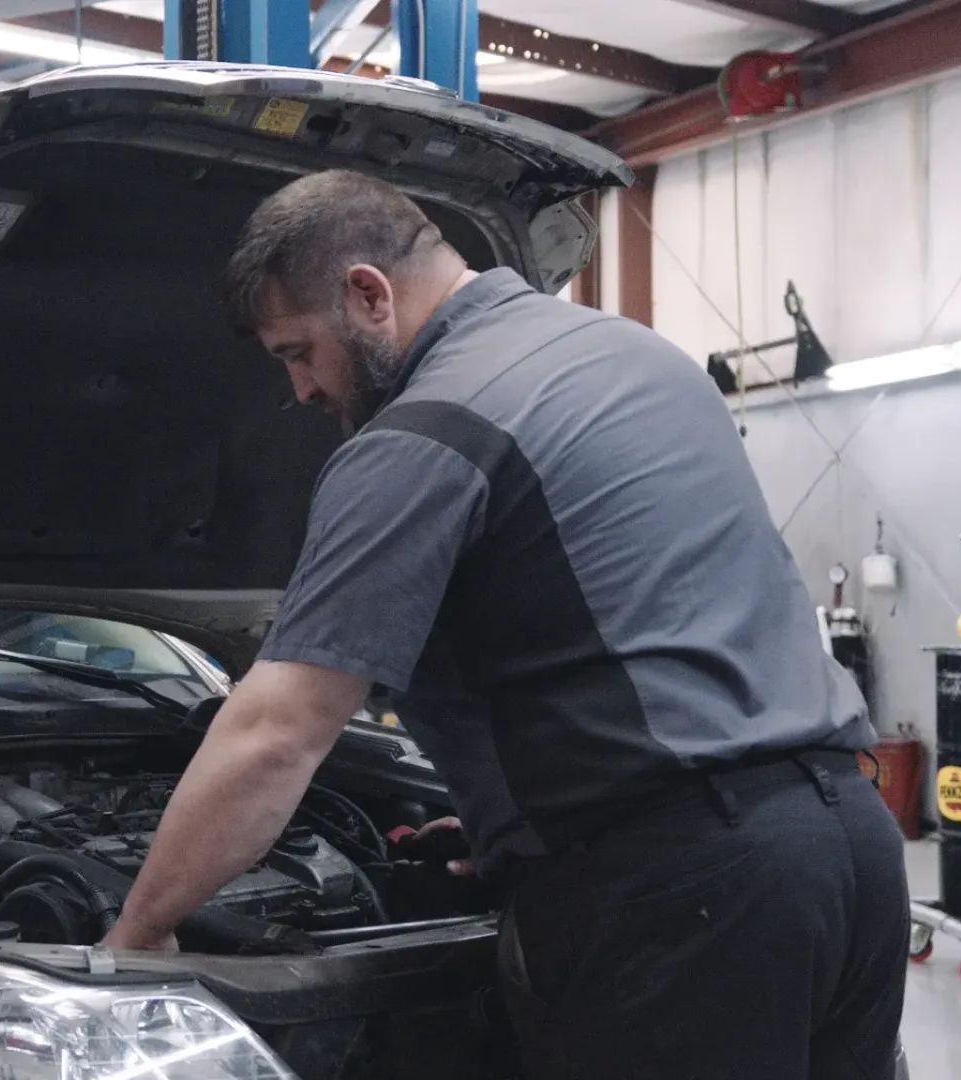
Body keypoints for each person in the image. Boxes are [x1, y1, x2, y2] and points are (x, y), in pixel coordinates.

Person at [103, 171, 907, 1079]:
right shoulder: (637, 355)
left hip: (689, 896)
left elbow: (276, 735)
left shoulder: (423, 434)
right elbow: (632, 624)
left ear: (369, 294)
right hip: (850, 844)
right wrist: (515, 820)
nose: (298, 390)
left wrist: (137, 936)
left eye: (298, 350)